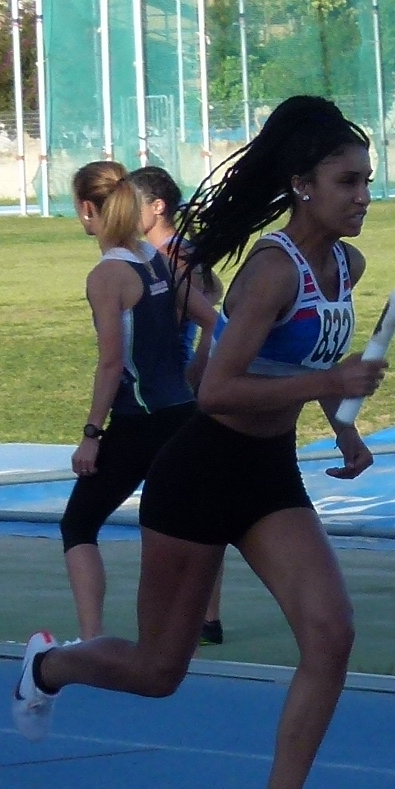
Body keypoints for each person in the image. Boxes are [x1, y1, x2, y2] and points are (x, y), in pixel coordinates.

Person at [13, 96, 387, 789]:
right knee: (159, 673)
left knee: (331, 633)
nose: (363, 196)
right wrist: (333, 382)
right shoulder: (271, 270)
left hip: (269, 475)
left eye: (366, 180)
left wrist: (344, 426)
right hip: (200, 471)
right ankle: (48, 667)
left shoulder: (345, 267)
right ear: (303, 185)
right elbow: (215, 391)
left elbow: (305, 363)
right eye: (348, 181)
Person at [59, 161, 218, 647]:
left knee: (79, 524)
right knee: (187, 524)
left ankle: (92, 638)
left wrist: (91, 434)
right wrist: (198, 372)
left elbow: (112, 363)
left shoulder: (107, 275)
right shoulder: (157, 258)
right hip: (183, 414)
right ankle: (200, 621)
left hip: (139, 420)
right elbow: (211, 319)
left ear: (88, 209)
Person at [127, 164, 226, 647]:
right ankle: (203, 615)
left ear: (157, 206)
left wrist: (199, 370)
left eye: (131, 204)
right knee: (195, 499)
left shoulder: (169, 257)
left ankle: (193, 616)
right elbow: (214, 297)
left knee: (181, 504)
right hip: (176, 386)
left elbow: (209, 316)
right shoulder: (177, 252)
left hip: (175, 389)